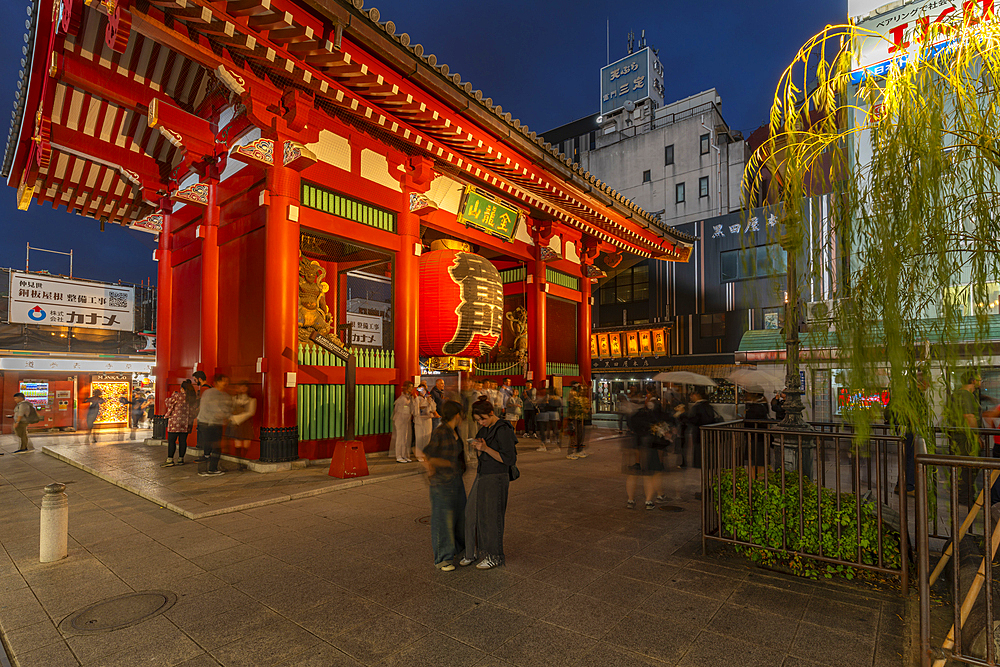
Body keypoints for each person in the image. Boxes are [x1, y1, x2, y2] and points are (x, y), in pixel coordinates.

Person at [461, 399, 517, 569]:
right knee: (471, 512)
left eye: (482, 419)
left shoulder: (503, 429)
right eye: (478, 420)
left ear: (491, 413)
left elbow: (508, 459)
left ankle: (495, 555)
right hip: (483, 474)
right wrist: (479, 448)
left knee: (492, 518)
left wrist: (485, 449)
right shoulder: (485, 429)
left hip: (497, 477)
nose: (480, 422)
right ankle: (472, 551)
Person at [422, 400, 467, 571]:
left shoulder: (455, 431)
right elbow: (427, 455)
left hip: (456, 479)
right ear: (457, 415)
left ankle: (460, 550)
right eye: (461, 414)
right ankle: (443, 559)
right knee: (444, 520)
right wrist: (445, 464)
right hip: (442, 482)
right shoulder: (441, 432)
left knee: (461, 517)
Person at [947, 370, 982, 504]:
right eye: (979, 379)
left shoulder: (957, 394)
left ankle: (963, 495)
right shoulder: (965, 395)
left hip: (959, 436)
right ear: (973, 381)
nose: (980, 381)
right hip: (965, 438)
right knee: (968, 467)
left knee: (964, 468)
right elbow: (969, 416)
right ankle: (964, 497)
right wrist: (976, 436)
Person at [623, 400, 664, 509]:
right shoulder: (648, 414)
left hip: (635, 447)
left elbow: (629, 426)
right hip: (647, 446)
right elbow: (655, 425)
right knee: (648, 476)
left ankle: (630, 500)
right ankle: (648, 501)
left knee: (632, 475)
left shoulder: (631, 415)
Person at [196, 374, 233, 477]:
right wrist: (228, 416)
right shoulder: (211, 393)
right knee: (212, 447)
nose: (225, 383)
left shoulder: (224, 395)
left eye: (226, 381)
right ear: (217, 382)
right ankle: (209, 469)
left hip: (212, 423)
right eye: (223, 381)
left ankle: (208, 469)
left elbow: (227, 407)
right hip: (208, 423)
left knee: (211, 446)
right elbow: (215, 409)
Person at [163, 381, 197, 467]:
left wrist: (173, 395)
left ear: (182, 389)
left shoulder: (177, 396)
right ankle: (181, 459)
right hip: (186, 423)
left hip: (175, 422)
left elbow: (167, 402)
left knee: (172, 441)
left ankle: (170, 459)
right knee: (183, 441)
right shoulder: (192, 398)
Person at [742, 392, 770, 478]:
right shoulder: (762, 405)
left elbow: (749, 424)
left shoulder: (755, 408)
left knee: (754, 459)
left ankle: (754, 479)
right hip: (759, 438)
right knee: (758, 459)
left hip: (755, 437)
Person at [227, 381, 257, 460]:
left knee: (246, 444)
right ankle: (239, 462)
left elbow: (251, 412)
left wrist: (235, 419)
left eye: (244, 386)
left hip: (245, 423)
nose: (242, 388)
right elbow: (229, 409)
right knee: (238, 444)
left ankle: (243, 460)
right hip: (236, 424)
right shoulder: (233, 399)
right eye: (241, 386)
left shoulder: (252, 400)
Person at [391, 381, 415, 463]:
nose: (411, 389)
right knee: (400, 437)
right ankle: (398, 455)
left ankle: (404, 454)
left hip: (406, 419)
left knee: (405, 438)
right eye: (410, 387)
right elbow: (398, 409)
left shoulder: (410, 397)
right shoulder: (401, 398)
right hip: (400, 419)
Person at [567, 384, 591, 459]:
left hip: (581, 418)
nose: (584, 392)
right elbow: (572, 409)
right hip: (575, 418)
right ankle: (571, 452)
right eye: (583, 390)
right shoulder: (575, 398)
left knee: (581, 435)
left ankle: (579, 450)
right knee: (575, 436)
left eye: (585, 390)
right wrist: (582, 410)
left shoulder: (585, 399)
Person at [413, 386, 435, 460]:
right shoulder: (417, 399)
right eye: (420, 390)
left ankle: (426, 453)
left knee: (427, 437)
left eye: (423, 390)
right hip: (420, 420)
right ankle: (419, 455)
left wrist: (430, 401)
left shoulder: (429, 398)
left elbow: (433, 408)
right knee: (419, 437)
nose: (422, 392)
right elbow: (415, 410)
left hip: (428, 419)